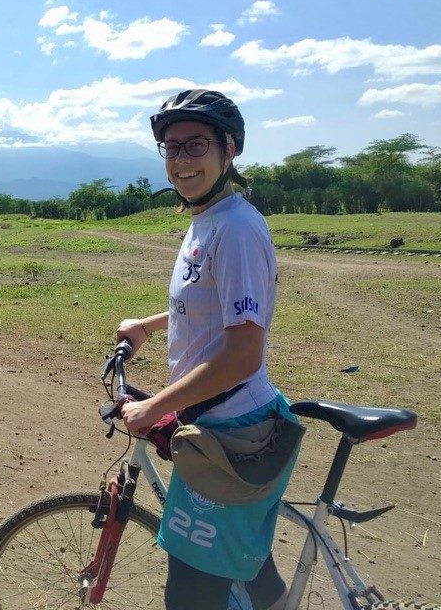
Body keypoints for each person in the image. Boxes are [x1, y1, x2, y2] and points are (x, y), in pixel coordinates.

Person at [116, 89, 297, 610]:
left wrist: (155, 406)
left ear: (229, 149)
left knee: (193, 593)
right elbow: (206, 306)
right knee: (246, 564)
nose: (182, 160)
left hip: (234, 428)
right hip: (217, 421)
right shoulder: (208, 220)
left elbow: (244, 355)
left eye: (196, 145)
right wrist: (149, 326)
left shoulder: (237, 228)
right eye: (171, 148)